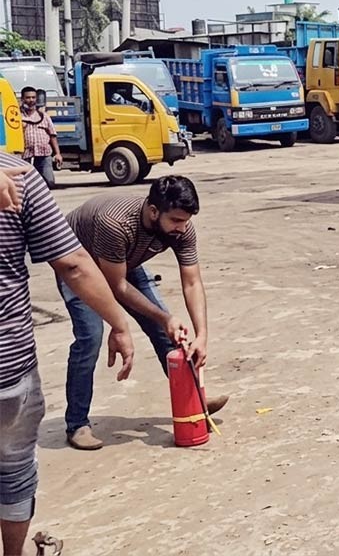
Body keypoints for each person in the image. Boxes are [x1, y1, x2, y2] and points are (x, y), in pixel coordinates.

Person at [0, 156, 136, 552]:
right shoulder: (19, 176)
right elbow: (74, 265)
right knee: (13, 468)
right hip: (7, 370)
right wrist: (120, 324)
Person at [61, 176, 228, 450]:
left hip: (121, 261)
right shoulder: (115, 224)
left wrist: (202, 335)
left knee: (169, 331)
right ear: (153, 211)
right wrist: (161, 318)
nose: (182, 228)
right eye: (175, 221)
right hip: (78, 263)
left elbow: (192, 282)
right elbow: (116, 287)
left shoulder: (181, 227)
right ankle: (77, 423)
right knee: (90, 336)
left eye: (185, 221)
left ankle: (195, 399)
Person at [18, 87, 61, 188]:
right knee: (26, 184)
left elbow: (52, 135)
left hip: (44, 154)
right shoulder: (17, 116)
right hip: (25, 155)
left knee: (48, 182)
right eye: (28, 97)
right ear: (22, 99)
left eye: (33, 97)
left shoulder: (44, 116)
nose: (31, 100)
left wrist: (58, 154)